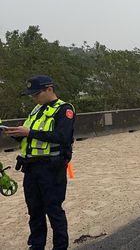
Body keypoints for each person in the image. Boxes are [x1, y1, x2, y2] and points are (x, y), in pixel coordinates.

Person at [5, 75, 75, 250]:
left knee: (53, 210)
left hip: (51, 167)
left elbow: (63, 137)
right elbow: (30, 138)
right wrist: (16, 133)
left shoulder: (64, 109)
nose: (34, 98)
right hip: (31, 168)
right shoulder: (37, 109)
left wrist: (30, 132)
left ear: (49, 89)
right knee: (34, 211)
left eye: (36, 94)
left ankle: (60, 247)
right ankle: (36, 246)